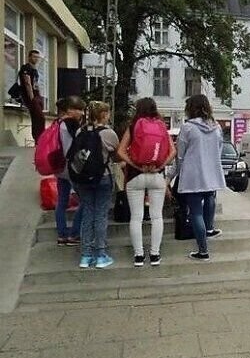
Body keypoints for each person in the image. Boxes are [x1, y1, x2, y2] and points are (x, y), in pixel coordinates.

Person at [117, 98, 176, 267]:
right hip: (156, 176)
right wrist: (160, 166)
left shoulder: (133, 125)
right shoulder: (161, 126)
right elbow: (172, 151)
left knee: (136, 217)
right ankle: (155, 255)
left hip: (136, 176)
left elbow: (121, 151)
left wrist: (136, 165)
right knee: (157, 216)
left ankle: (139, 256)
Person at [176, 95, 226, 261]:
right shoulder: (216, 127)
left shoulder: (188, 128)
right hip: (210, 172)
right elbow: (218, 150)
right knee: (210, 197)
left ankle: (203, 251)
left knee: (196, 212)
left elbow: (180, 155)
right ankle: (210, 228)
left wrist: (174, 174)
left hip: (193, 175)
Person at [73, 101, 119, 269]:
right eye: (107, 113)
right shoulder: (109, 133)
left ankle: (85, 256)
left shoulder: (80, 131)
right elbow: (117, 155)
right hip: (103, 178)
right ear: (103, 115)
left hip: (83, 179)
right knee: (100, 215)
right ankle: (100, 254)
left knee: (87, 213)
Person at [55, 96, 85, 246]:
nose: (82, 113)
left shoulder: (57, 123)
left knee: (61, 202)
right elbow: (80, 142)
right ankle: (74, 234)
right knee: (85, 200)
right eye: (79, 109)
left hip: (59, 166)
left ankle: (61, 235)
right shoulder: (71, 123)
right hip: (72, 167)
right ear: (70, 110)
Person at [19, 50, 46, 144]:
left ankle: (39, 140)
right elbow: (27, 83)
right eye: (34, 57)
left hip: (37, 96)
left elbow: (36, 84)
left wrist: (40, 95)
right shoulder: (26, 68)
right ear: (29, 57)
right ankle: (39, 139)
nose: (36, 59)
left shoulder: (34, 70)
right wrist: (32, 98)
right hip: (31, 97)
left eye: (37, 57)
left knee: (37, 118)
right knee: (40, 118)